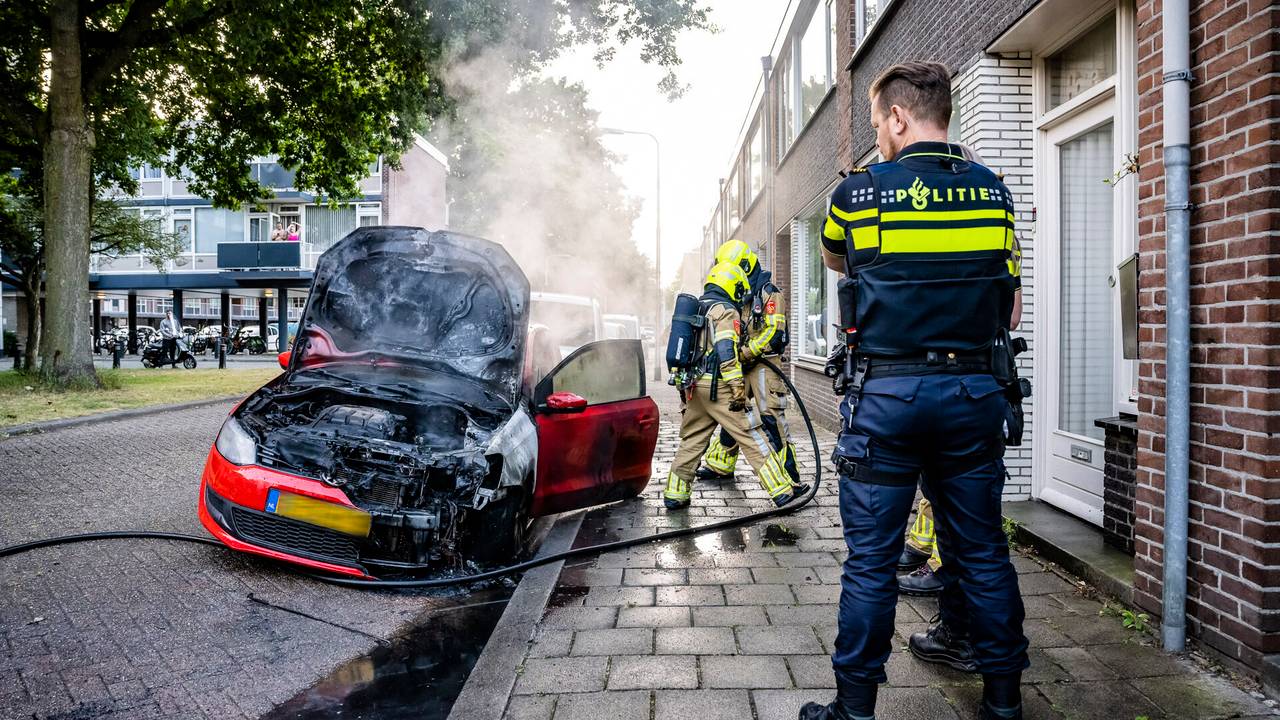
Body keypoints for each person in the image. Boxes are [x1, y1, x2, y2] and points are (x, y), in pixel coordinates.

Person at [798, 61, 1028, 720]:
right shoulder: (994, 194)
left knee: (871, 562)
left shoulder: (858, 195)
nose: (878, 135)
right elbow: (1010, 311)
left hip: (887, 402)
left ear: (898, 117)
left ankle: (855, 710)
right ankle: (1004, 705)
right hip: (972, 397)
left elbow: (838, 260)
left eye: (877, 123)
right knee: (982, 552)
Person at [663, 262, 809, 511]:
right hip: (719, 388)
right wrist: (737, 388)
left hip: (695, 387)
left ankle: (675, 494)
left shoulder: (700, 307)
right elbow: (726, 352)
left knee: (692, 441)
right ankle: (782, 491)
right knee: (753, 436)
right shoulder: (725, 311)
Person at [696, 239, 801, 486]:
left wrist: (745, 352)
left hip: (764, 363)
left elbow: (774, 332)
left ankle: (789, 476)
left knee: (770, 417)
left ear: (745, 266)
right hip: (741, 364)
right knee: (735, 410)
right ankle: (721, 465)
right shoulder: (737, 292)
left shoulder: (769, 293)